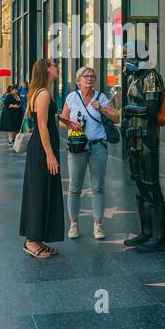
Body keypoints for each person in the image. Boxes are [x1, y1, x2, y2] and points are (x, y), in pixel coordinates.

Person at [61, 66, 120, 240]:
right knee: (74, 187)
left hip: (97, 147)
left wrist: (102, 109)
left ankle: (98, 225)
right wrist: (71, 124)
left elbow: (116, 117)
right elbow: (62, 122)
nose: (89, 79)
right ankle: (73, 225)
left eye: (92, 76)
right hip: (77, 146)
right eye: (85, 76)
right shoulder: (72, 97)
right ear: (78, 80)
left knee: (98, 186)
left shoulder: (100, 97)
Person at [122, 41, 165, 252]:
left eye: (128, 56)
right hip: (133, 137)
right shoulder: (133, 77)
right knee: (139, 183)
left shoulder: (151, 77)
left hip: (147, 138)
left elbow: (150, 109)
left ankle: (159, 238)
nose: (125, 60)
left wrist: (128, 110)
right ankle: (146, 232)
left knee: (151, 184)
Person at [19, 58, 64, 258]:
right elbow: (42, 125)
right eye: (54, 65)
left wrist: (64, 119)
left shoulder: (41, 92)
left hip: (40, 148)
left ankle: (37, 238)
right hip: (42, 150)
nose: (57, 67)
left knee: (42, 191)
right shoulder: (43, 94)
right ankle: (31, 241)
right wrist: (50, 155)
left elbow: (46, 117)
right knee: (39, 193)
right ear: (47, 70)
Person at [0, 83, 23, 148]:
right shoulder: (9, 96)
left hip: (16, 114)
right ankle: (10, 140)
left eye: (17, 90)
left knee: (15, 127)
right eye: (15, 90)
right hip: (9, 114)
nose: (16, 91)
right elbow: (6, 103)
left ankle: (13, 139)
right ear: (12, 90)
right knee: (10, 127)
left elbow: (20, 103)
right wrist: (14, 106)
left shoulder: (18, 96)